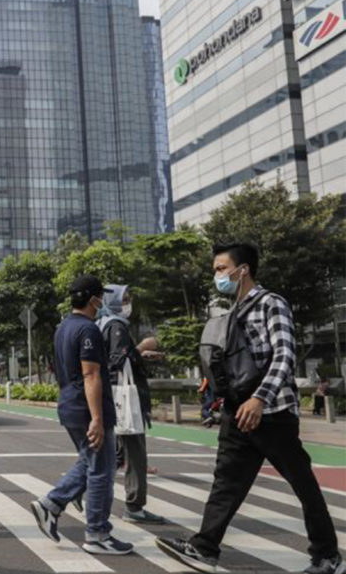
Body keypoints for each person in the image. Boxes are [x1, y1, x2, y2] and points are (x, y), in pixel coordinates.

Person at [157, 243, 342, 574]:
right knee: (226, 481)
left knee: (302, 482)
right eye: (215, 269)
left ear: (242, 270)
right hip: (237, 411)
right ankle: (205, 548)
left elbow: (284, 355)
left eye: (221, 268)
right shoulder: (230, 311)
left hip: (272, 414)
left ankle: (327, 555)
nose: (217, 275)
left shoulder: (272, 303)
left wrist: (261, 398)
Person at [30, 276, 133, 556]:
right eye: (101, 296)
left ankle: (51, 506)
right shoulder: (88, 330)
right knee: (101, 470)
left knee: (91, 462)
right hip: (86, 408)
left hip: (70, 404)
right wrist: (97, 419)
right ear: (93, 300)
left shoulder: (63, 327)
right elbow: (90, 374)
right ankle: (96, 533)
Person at [97, 284, 165, 525]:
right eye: (124, 299)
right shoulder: (116, 326)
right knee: (134, 452)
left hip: (112, 398)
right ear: (114, 301)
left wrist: (137, 355)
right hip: (123, 398)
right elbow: (116, 360)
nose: (128, 303)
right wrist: (141, 348)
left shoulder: (104, 323)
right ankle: (134, 507)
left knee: (111, 454)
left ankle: (74, 491)